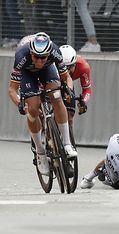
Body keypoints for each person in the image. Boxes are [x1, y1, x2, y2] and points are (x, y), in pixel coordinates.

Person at [8, 32, 78, 176]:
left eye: (43, 58)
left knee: (56, 96)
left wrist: (68, 90)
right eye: (36, 57)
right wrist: (19, 104)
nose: (39, 61)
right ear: (31, 52)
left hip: (48, 70)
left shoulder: (55, 52)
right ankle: (40, 152)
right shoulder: (22, 55)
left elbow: (67, 79)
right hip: (28, 73)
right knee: (33, 109)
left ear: (49, 54)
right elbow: (12, 90)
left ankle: (66, 144)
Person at [59, 45, 93, 123]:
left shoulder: (83, 67)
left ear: (75, 64)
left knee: (69, 116)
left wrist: (83, 101)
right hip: (55, 80)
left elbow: (87, 89)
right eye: (63, 68)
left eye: (69, 68)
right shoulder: (52, 64)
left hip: (67, 83)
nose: (66, 72)